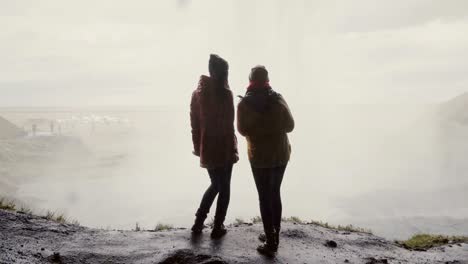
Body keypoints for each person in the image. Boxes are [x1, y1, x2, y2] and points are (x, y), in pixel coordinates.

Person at [237, 65, 294, 256]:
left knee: (264, 196)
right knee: (275, 193)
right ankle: (274, 234)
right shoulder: (277, 99)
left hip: (259, 157)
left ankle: (271, 240)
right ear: (267, 79)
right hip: (280, 155)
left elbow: (243, 130)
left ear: (250, 80)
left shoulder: (244, 104)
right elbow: (290, 125)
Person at [190, 54, 239, 238]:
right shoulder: (226, 94)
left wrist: (198, 148)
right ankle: (217, 226)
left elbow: (195, 124)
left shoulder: (197, 94)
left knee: (215, 185)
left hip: (208, 148)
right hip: (224, 147)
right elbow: (229, 124)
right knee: (224, 187)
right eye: (226, 72)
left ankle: (198, 222)